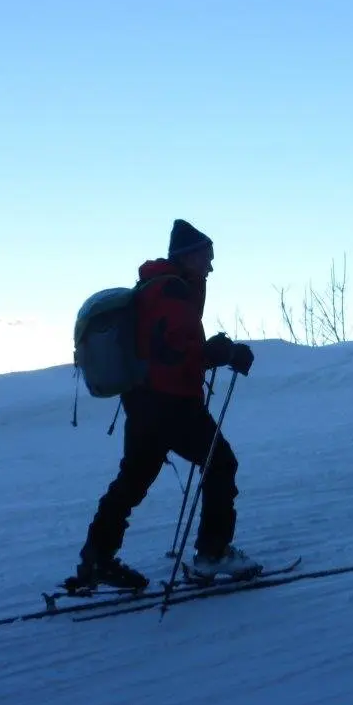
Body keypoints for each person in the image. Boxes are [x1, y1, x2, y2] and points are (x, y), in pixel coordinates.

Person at [75, 219, 259, 592]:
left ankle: (97, 558)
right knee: (220, 463)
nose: (210, 266)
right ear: (188, 257)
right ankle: (213, 552)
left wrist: (211, 353)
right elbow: (175, 352)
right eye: (206, 257)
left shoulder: (158, 288)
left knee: (133, 481)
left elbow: (166, 349)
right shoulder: (171, 293)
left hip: (144, 402)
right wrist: (223, 353)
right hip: (171, 403)